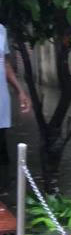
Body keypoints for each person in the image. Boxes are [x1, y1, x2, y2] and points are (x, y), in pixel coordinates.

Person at [0, 23, 31, 191]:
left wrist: (20, 91)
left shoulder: (1, 30)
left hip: (1, 100)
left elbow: (4, 64)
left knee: (2, 149)